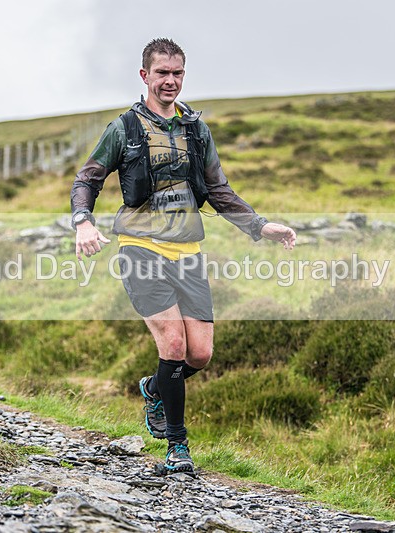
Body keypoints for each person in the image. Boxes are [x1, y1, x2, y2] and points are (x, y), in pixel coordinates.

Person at [70, 38, 296, 474]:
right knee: (173, 343)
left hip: (188, 250)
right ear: (145, 76)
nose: (170, 81)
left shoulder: (195, 129)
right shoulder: (125, 129)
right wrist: (83, 221)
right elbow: (87, 179)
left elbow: (217, 190)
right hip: (140, 247)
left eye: (177, 73)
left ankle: (155, 388)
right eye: (162, 73)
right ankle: (177, 447)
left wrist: (260, 225)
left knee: (200, 354)